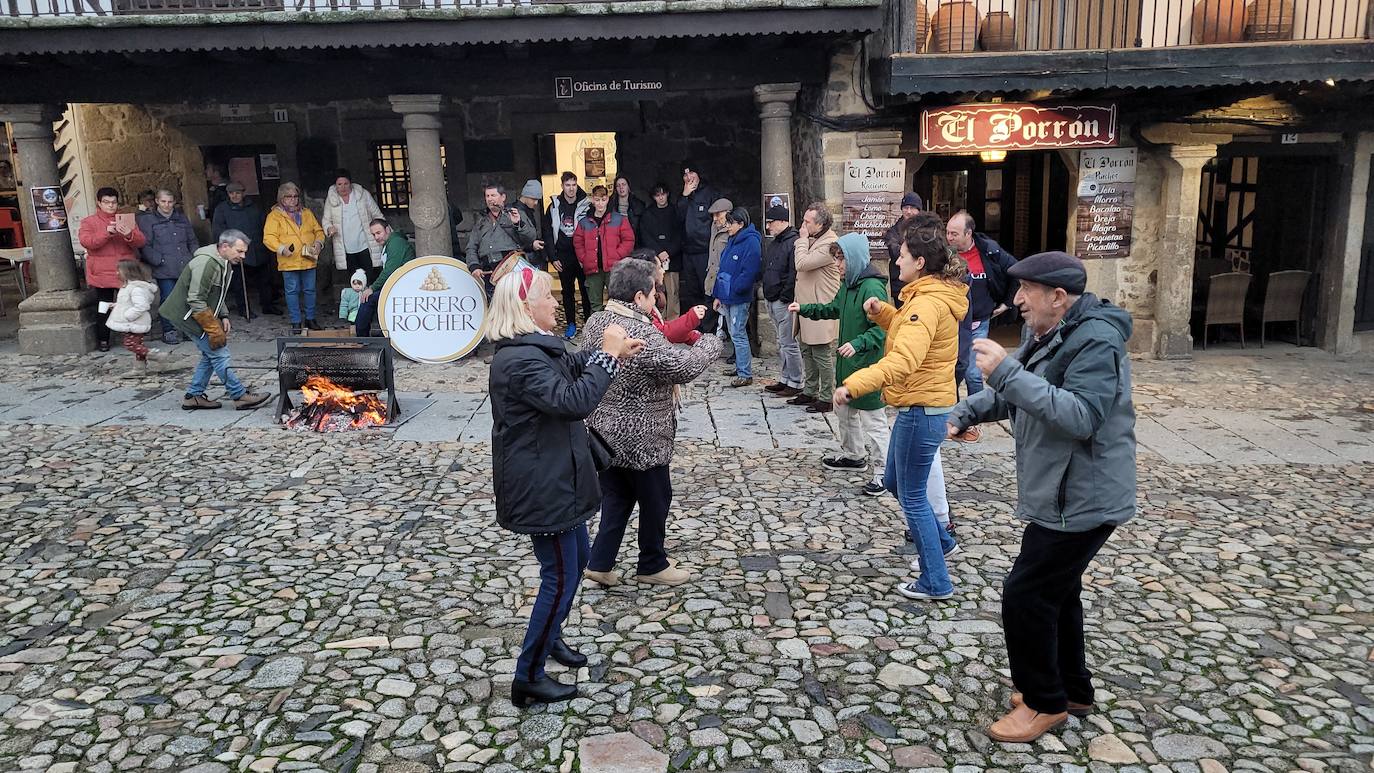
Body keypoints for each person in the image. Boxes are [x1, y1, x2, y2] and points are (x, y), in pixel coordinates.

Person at [946, 251, 1136, 744]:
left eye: (1027, 290)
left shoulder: (1096, 340)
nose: (1018, 300)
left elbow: (1080, 416)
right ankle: (1072, 689)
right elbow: (1015, 393)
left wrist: (1006, 371)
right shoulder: (1052, 333)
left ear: (1058, 296)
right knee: (1059, 590)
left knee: (1026, 594)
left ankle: (1043, 702)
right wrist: (963, 412)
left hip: (1082, 496)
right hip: (1062, 490)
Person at [488, 262, 643, 708]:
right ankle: (528, 675)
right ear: (525, 306)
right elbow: (572, 400)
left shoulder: (533, 350)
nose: (556, 302)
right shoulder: (517, 361)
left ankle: (550, 637)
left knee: (576, 562)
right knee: (559, 577)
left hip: (559, 479)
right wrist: (608, 359)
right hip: (544, 487)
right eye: (547, 297)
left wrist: (613, 352)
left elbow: (571, 365)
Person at [834, 212, 968, 602]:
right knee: (894, 481)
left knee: (910, 495)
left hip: (921, 408)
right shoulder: (924, 301)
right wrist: (885, 313)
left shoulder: (925, 304)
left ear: (921, 263)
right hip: (926, 405)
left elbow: (902, 360)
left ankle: (935, 580)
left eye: (903, 256)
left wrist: (853, 384)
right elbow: (911, 333)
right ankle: (941, 544)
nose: (896, 262)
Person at [580, 259, 721, 588]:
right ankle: (652, 563)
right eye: (655, 291)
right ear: (640, 296)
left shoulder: (597, 321)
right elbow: (681, 367)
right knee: (657, 497)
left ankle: (600, 562)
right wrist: (710, 343)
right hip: (641, 436)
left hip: (603, 431)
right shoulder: (640, 330)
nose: (658, 297)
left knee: (617, 496)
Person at [792, 233, 890, 495]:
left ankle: (883, 472)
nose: (837, 265)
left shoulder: (872, 288)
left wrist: (857, 344)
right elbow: (833, 308)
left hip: (868, 367)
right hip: (848, 365)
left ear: (854, 258)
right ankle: (854, 455)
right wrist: (804, 309)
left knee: (874, 421)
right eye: (836, 259)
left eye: (840, 259)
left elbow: (882, 330)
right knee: (845, 413)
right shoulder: (848, 284)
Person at [159, 229, 272, 412]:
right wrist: (213, 328)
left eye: (244, 252)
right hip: (187, 315)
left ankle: (194, 396)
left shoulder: (224, 262)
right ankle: (239, 395)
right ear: (225, 246)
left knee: (210, 355)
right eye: (240, 251)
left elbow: (218, 294)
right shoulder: (205, 263)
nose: (243, 256)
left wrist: (223, 315)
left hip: (198, 312)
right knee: (219, 353)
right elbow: (195, 299)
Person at [946, 211, 1018, 402]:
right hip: (951, 322)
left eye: (954, 234)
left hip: (979, 321)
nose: (949, 238)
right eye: (948, 233)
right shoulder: (943, 254)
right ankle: (951, 414)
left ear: (968, 233)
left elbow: (1017, 271)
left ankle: (975, 417)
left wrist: (1007, 303)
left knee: (973, 373)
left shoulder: (989, 251)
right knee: (949, 371)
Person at [79, 187, 148, 352]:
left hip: (125, 271)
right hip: (103, 273)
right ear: (99, 203)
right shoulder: (89, 222)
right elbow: (87, 242)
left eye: (114, 202)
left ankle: (134, 338)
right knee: (103, 306)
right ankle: (104, 339)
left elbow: (141, 241)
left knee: (131, 305)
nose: (111, 206)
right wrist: (106, 233)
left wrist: (129, 234)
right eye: (107, 202)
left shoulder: (125, 218)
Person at [791, 202, 842, 413]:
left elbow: (802, 263)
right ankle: (810, 390)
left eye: (807, 222)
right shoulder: (817, 240)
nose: (803, 225)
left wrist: (801, 240)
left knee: (821, 354)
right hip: (806, 307)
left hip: (820, 308)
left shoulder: (830, 245)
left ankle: (826, 397)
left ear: (820, 224)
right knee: (807, 351)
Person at [137, 189, 199, 345]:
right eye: (163, 201)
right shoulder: (148, 220)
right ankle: (168, 330)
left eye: (170, 202)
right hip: (164, 267)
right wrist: (159, 260)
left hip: (184, 264)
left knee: (187, 298)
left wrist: (194, 256)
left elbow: (192, 240)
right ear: (157, 201)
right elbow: (145, 245)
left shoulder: (181, 218)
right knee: (168, 299)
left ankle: (187, 328)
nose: (167, 205)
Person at [263, 182, 327, 334]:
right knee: (292, 291)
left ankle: (310, 319)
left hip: (308, 258)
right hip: (289, 260)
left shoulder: (306, 213)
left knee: (310, 290)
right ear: (281, 198)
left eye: (295, 196)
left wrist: (319, 243)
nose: (293, 200)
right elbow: (268, 237)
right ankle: (296, 321)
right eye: (289, 197)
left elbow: (318, 231)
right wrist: (281, 248)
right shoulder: (274, 216)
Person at [713, 207, 761, 387]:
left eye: (730, 223)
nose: (727, 226)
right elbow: (723, 268)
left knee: (738, 332)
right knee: (734, 332)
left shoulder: (751, 242)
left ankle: (745, 373)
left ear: (741, 224)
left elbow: (750, 271)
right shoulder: (733, 239)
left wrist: (736, 288)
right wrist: (719, 294)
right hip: (728, 294)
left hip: (738, 296)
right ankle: (741, 366)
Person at [573, 184, 636, 315]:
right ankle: (597, 332)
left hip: (613, 268)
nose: (600, 204)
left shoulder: (619, 219)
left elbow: (629, 240)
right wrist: (584, 259)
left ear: (607, 199)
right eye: (597, 200)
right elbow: (577, 242)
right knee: (595, 304)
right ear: (592, 200)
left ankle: (615, 331)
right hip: (592, 268)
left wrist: (617, 255)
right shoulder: (585, 222)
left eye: (603, 200)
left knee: (617, 303)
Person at [760, 205, 802, 398]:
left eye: (771, 222)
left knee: (789, 343)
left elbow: (793, 274)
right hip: (772, 298)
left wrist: (784, 297)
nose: (768, 226)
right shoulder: (776, 242)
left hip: (782, 301)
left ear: (783, 221)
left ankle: (796, 380)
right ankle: (785, 378)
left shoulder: (792, 242)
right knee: (781, 342)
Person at [467, 183, 536, 295]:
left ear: (503, 197)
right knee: (495, 307)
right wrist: (474, 266)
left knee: (514, 305)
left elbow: (531, 237)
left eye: (493, 195)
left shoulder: (516, 214)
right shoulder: (481, 221)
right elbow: (471, 247)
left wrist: (518, 223)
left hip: (511, 267)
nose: (490, 199)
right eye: (487, 196)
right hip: (489, 270)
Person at [212, 182, 269, 317]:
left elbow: (264, 225)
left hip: (257, 248)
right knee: (240, 283)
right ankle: (244, 309)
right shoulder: (222, 209)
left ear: (243, 193)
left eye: (237, 193)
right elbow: (218, 231)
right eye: (231, 193)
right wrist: (229, 250)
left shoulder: (254, 207)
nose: (234, 196)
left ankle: (268, 305)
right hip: (235, 251)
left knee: (264, 280)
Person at [675, 161, 722, 325]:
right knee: (692, 291)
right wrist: (684, 196)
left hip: (705, 251)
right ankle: (697, 326)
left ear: (698, 174)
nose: (689, 178)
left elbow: (719, 221)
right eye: (685, 175)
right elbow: (678, 219)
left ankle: (710, 327)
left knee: (707, 290)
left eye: (691, 173)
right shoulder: (683, 196)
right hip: (688, 252)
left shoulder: (709, 193)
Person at [546, 171, 592, 338]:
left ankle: (589, 323)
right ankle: (571, 323)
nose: (571, 189)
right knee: (567, 291)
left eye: (573, 185)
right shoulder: (554, 205)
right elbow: (548, 232)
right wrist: (553, 257)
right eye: (567, 185)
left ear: (577, 184)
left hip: (582, 254)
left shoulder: (586, 204)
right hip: (563, 255)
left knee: (586, 290)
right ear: (562, 186)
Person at [322, 169, 385, 286]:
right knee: (354, 282)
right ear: (335, 185)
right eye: (339, 184)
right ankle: (356, 304)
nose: (343, 187)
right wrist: (329, 228)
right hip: (345, 248)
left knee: (371, 278)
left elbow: (377, 214)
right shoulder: (331, 199)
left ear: (350, 183)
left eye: (346, 183)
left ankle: (372, 303)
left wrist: (382, 233)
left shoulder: (362, 194)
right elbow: (326, 220)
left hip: (365, 245)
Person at [106, 260, 168, 378]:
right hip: (133, 321)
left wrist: (128, 315)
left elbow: (141, 306)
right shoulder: (128, 286)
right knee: (137, 344)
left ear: (127, 272)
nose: (116, 273)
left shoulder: (136, 288)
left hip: (135, 322)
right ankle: (139, 369)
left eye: (118, 270)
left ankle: (156, 356)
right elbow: (128, 303)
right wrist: (116, 306)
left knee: (130, 344)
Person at [356, 218, 417, 337]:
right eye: (374, 235)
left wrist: (372, 288)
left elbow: (390, 270)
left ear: (387, 229)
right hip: (398, 285)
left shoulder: (396, 243)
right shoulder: (391, 243)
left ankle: (361, 338)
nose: (376, 237)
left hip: (403, 288)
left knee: (367, 299)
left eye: (379, 233)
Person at [638, 183, 683, 320]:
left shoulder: (676, 212)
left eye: (663, 194)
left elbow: (680, 234)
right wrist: (658, 252)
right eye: (657, 195)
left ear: (667, 194)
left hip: (672, 258)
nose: (661, 198)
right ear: (654, 197)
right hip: (655, 260)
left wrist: (668, 251)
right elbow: (645, 235)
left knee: (673, 291)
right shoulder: (648, 214)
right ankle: (659, 320)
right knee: (656, 292)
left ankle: (673, 320)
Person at [703, 198, 733, 355]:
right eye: (713, 215)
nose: (715, 219)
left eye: (718, 215)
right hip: (712, 275)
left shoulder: (732, 231)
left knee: (727, 314)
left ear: (728, 214)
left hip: (725, 278)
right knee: (710, 311)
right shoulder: (714, 227)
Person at [884, 192, 923, 299]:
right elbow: (895, 251)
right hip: (900, 283)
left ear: (919, 210)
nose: (909, 211)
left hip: (921, 282)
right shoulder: (893, 231)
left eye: (913, 208)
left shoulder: (926, 229)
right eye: (906, 207)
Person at [515, 180, 546, 263]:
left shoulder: (529, 210)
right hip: (524, 258)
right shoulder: (515, 212)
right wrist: (531, 246)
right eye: (534, 199)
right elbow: (515, 239)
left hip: (533, 256)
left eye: (538, 199)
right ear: (525, 195)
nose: (536, 203)